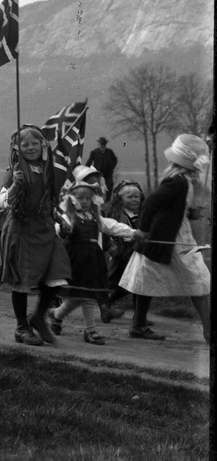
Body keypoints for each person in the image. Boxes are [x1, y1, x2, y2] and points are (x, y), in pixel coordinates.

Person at [119, 134, 211, 343]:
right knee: (197, 280)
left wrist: (192, 213)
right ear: (192, 165)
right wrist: (142, 230)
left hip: (173, 235)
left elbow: (174, 210)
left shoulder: (184, 183)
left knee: (148, 278)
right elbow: (151, 202)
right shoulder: (178, 183)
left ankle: (138, 325)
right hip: (168, 239)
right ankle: (208, 330)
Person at [0, 124, 72, 346]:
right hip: (21, 232)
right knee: (22, 281)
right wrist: (15, 186)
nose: (30, 148)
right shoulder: (15, 171)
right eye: (24, 144)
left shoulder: (48, 171)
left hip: (45, 231)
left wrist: (61, 219)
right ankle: (21, 327)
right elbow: (3, 202)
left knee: (58, 274)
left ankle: (38, 317)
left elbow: (49, 202)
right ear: (17, 149)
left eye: (34, 143)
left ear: (43, 146)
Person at [49, 166, 136, 345]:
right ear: (72, 200)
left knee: (86, 296)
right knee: (83, 296)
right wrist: (63, 229)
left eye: (88, 198)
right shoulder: (69, 217)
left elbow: (112, 226)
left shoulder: (95, 217)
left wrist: (133, 232)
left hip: (92, 260)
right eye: (80, 198)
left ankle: (58, 315)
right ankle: (89, 330)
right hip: (74, 260)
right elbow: (60, 230)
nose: (85, 201)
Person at [100, 179, 144, 321]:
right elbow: (113, 235)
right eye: (129, 197)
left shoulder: (142, 215)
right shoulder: (117, 216)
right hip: (122, 256)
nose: (134, 200)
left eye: (137, 196)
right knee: (120, 284)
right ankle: (106, 303)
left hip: (138, 254)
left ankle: (139, 315)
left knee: (139, 284)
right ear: (120, 199)